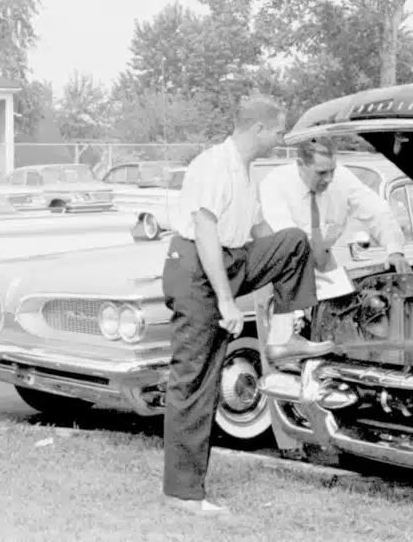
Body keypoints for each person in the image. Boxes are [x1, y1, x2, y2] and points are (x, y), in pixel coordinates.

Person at [161, 95, 334, 517]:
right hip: (197, 269)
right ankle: (183, 493)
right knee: (195, 381)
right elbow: (205, 232)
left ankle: (283, 338)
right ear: (258, 129)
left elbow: (258, 229)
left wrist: (296, 261)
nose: (280, 139)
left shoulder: (243, 169)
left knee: (294, 240)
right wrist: (226, 301)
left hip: (230, 259)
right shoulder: (213, 165)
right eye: (278, 131)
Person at [258, 136, 411, 351]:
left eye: (332, 170)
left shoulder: (342, 178)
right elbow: (288, 239)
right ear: (300, 165)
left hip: (323, 259)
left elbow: (376, 211)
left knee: (341, 331)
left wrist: (394, 250)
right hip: (280, 269)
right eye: (321, 173)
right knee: (285, 348)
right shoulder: (275, 183)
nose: (329, 179)